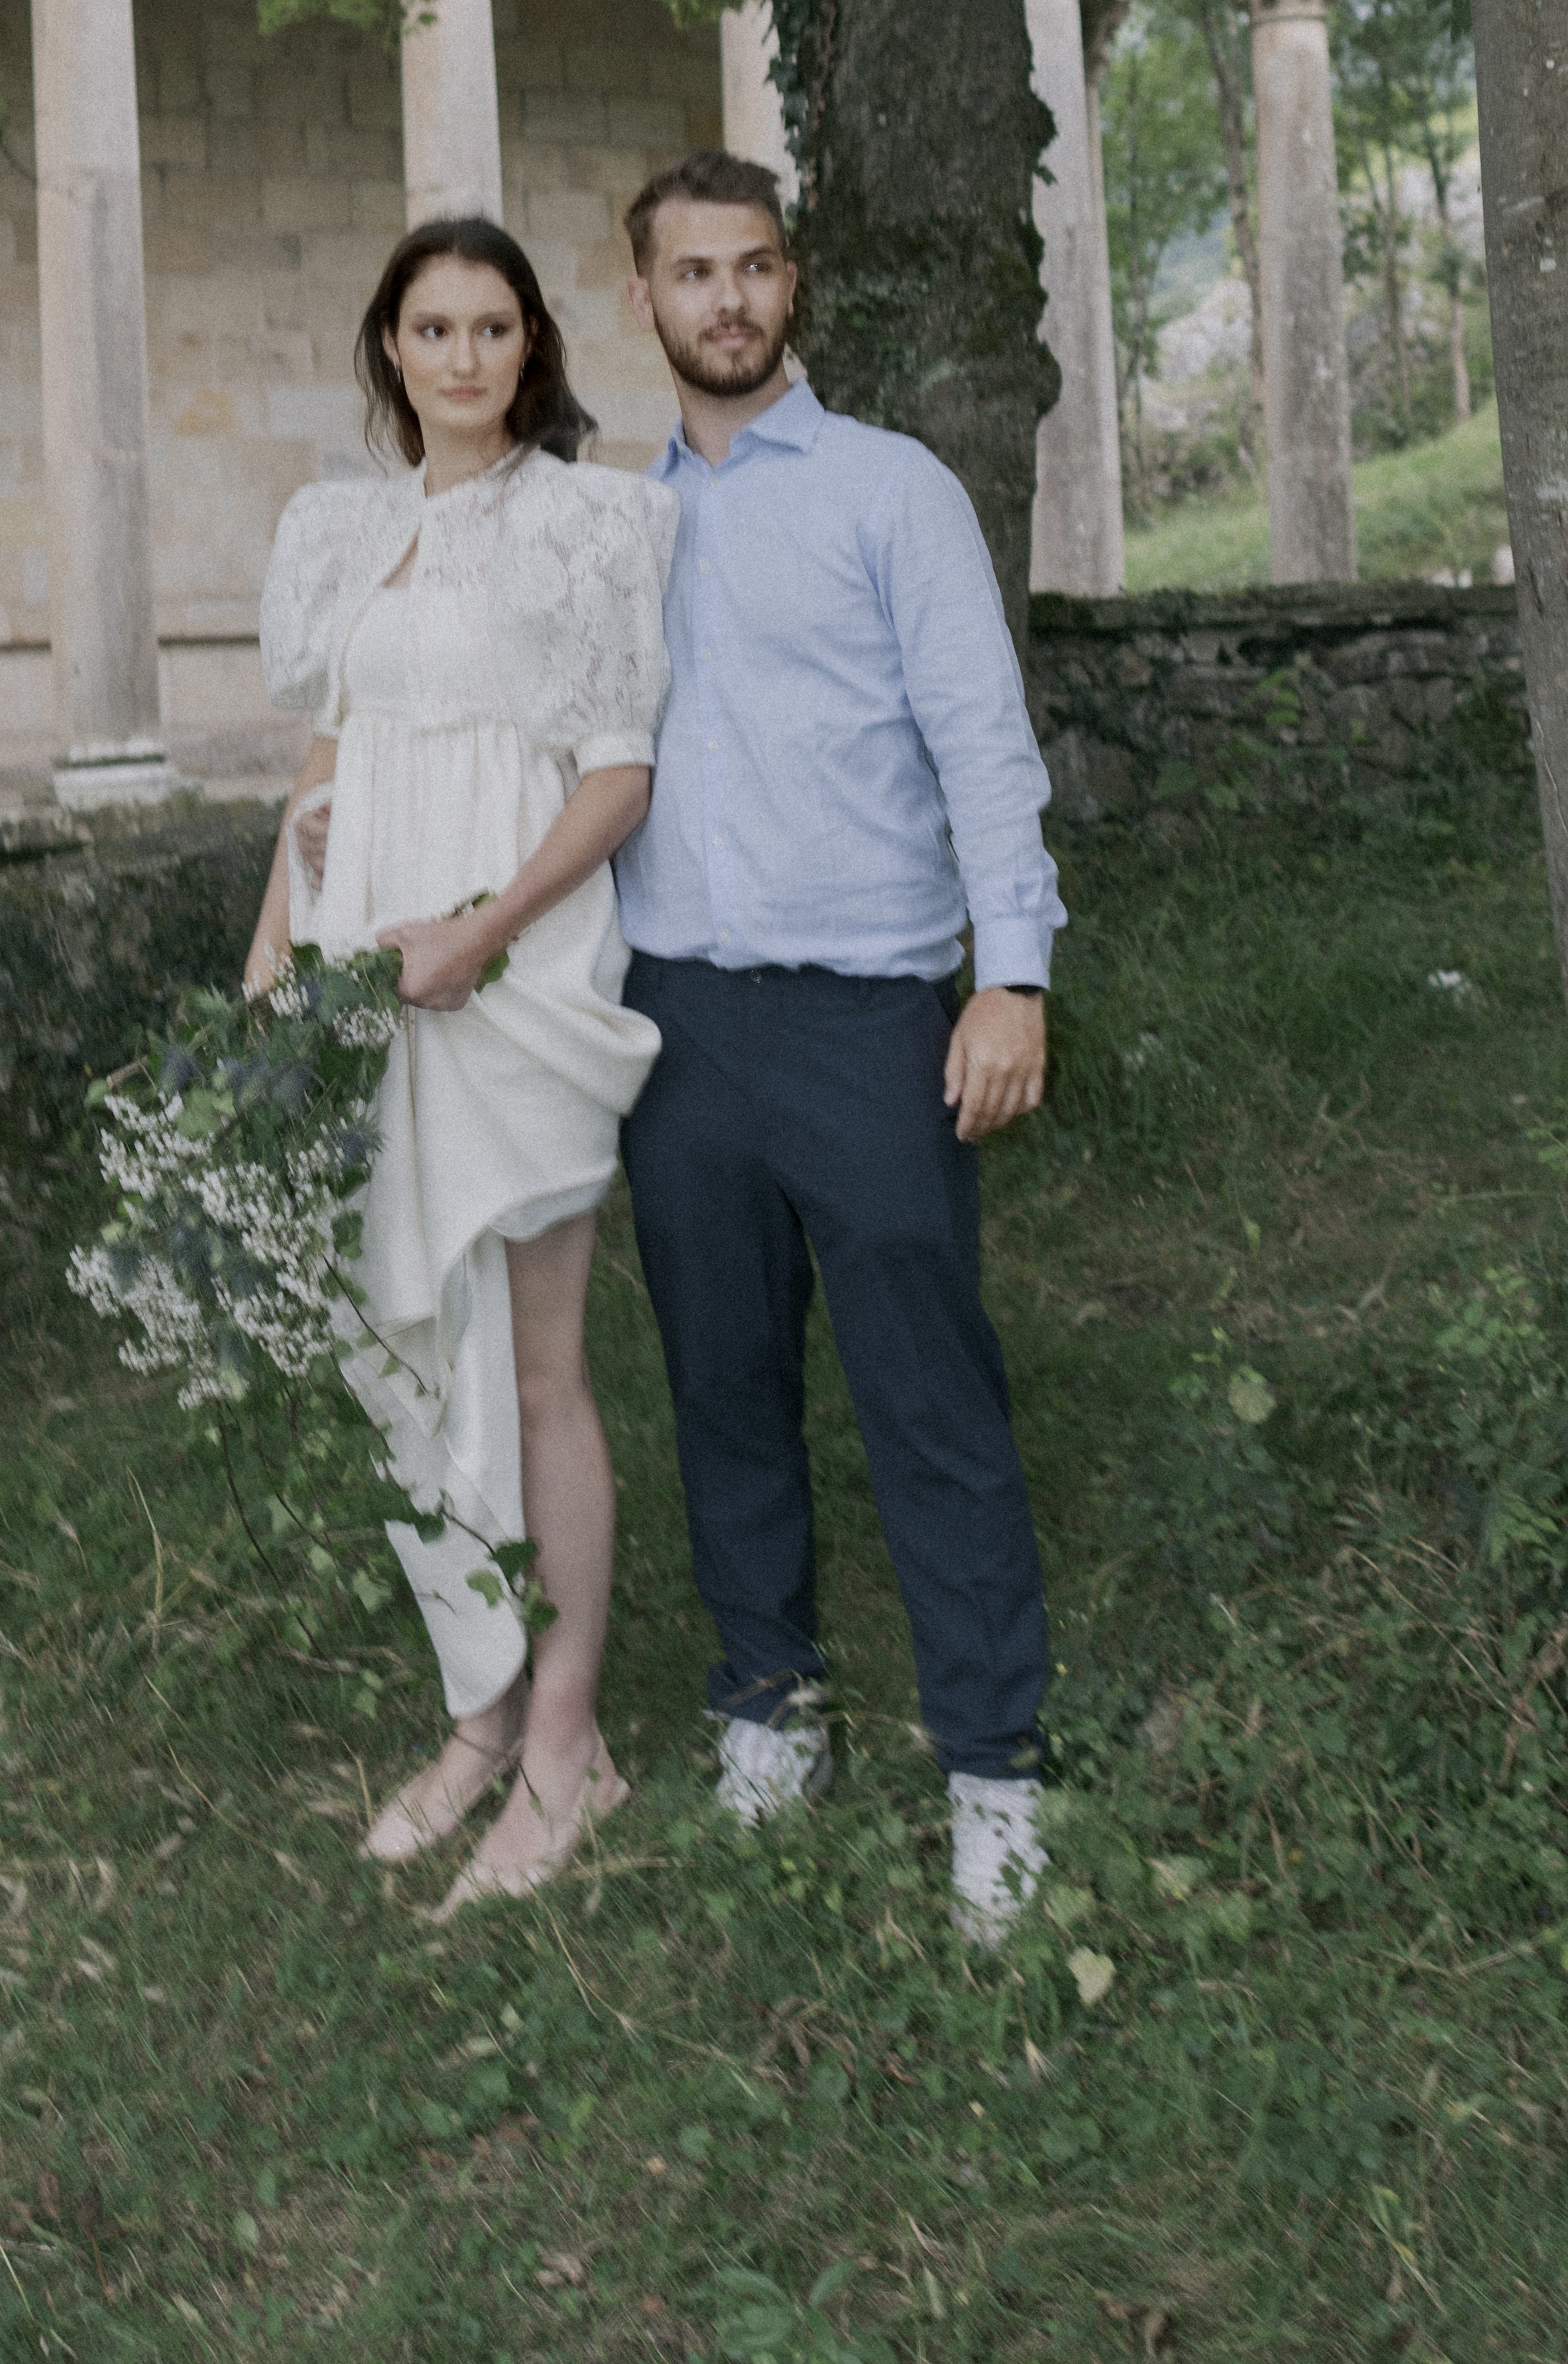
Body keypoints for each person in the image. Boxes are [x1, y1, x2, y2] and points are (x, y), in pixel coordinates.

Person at [612, 150, 1066, 1950]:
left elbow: (983, 742)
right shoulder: (613, 523)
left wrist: (1007, 976)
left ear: (789, 287)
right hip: (673, 1015)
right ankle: (766, 1701)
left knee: (924, 1390)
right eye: (690, 274)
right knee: (721, 1377)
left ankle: (992, 1766)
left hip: (871, 1006)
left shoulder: (893, 492)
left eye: (753, 267)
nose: (725, 300)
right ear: (640, 298)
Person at [249, 215, 679, 1913]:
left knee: (538, 1362)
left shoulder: (587, 522)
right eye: (430, 327)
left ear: (533, 346)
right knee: (410, 1356)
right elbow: (324, 760)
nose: (462, 357)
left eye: (492, 327)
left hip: (514, 968)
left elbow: (617, 773)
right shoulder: (348, 532)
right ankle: (479, 1709)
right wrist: (273, 954)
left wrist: (480, 931)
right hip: (367, 965)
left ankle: (571, 1739)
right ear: (388, 347)